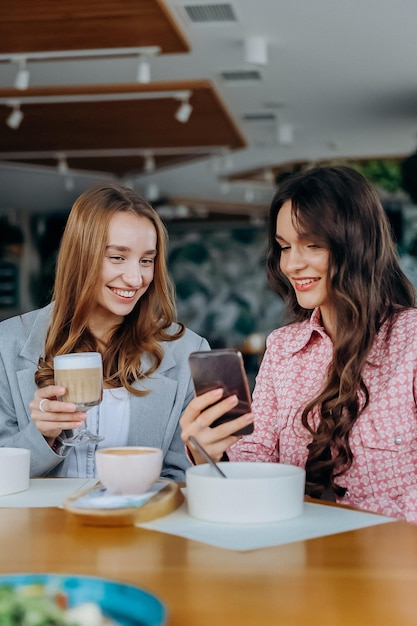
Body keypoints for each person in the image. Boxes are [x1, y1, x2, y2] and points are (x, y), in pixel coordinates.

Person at [180, 165, 417, 522]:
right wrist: (209, 454)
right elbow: (255, 466)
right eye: (284, 247)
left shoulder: (410, 340)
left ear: (355, 246)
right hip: (298, 558)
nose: (291, 264)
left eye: (312, 245)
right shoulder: (282, 348)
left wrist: (351, 533)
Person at [0, 183, 209, 480]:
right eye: (117, 257)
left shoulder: (189, 352)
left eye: (146, 260)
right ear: (80, 256)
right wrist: (42, 435)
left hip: (140, 523)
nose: (136, 278)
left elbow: (184, 478)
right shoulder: (7, 345)